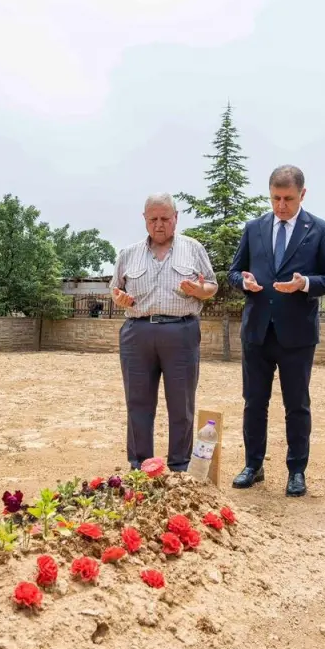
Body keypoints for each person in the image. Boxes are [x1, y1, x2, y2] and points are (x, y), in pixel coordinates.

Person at [229, 165, 325, 497]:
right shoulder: (254, 228)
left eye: (288, 199)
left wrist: (305, 283)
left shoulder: (320, 230)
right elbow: (235, 272)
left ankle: (296, 471)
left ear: (302, 195)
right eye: (276, 198)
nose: (281, 206)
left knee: (297, 405)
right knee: (254, 402)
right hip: (257, 332)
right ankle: (253, 465)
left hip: (297, 335)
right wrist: (243, 282)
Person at [110, 193, 218, 471]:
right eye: (153, 219)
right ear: (144, 220)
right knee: (138, 402)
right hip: (138, 332)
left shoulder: (193, 249)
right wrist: (120, 298)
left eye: (165, 219)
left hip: (180, 331)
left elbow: (212, 286)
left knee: (181, 403)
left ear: (176, 218)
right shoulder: (128, 254)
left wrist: (200, 290)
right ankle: (140, 464)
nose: (159, 225)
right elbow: (115, 290)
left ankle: (180, 465)